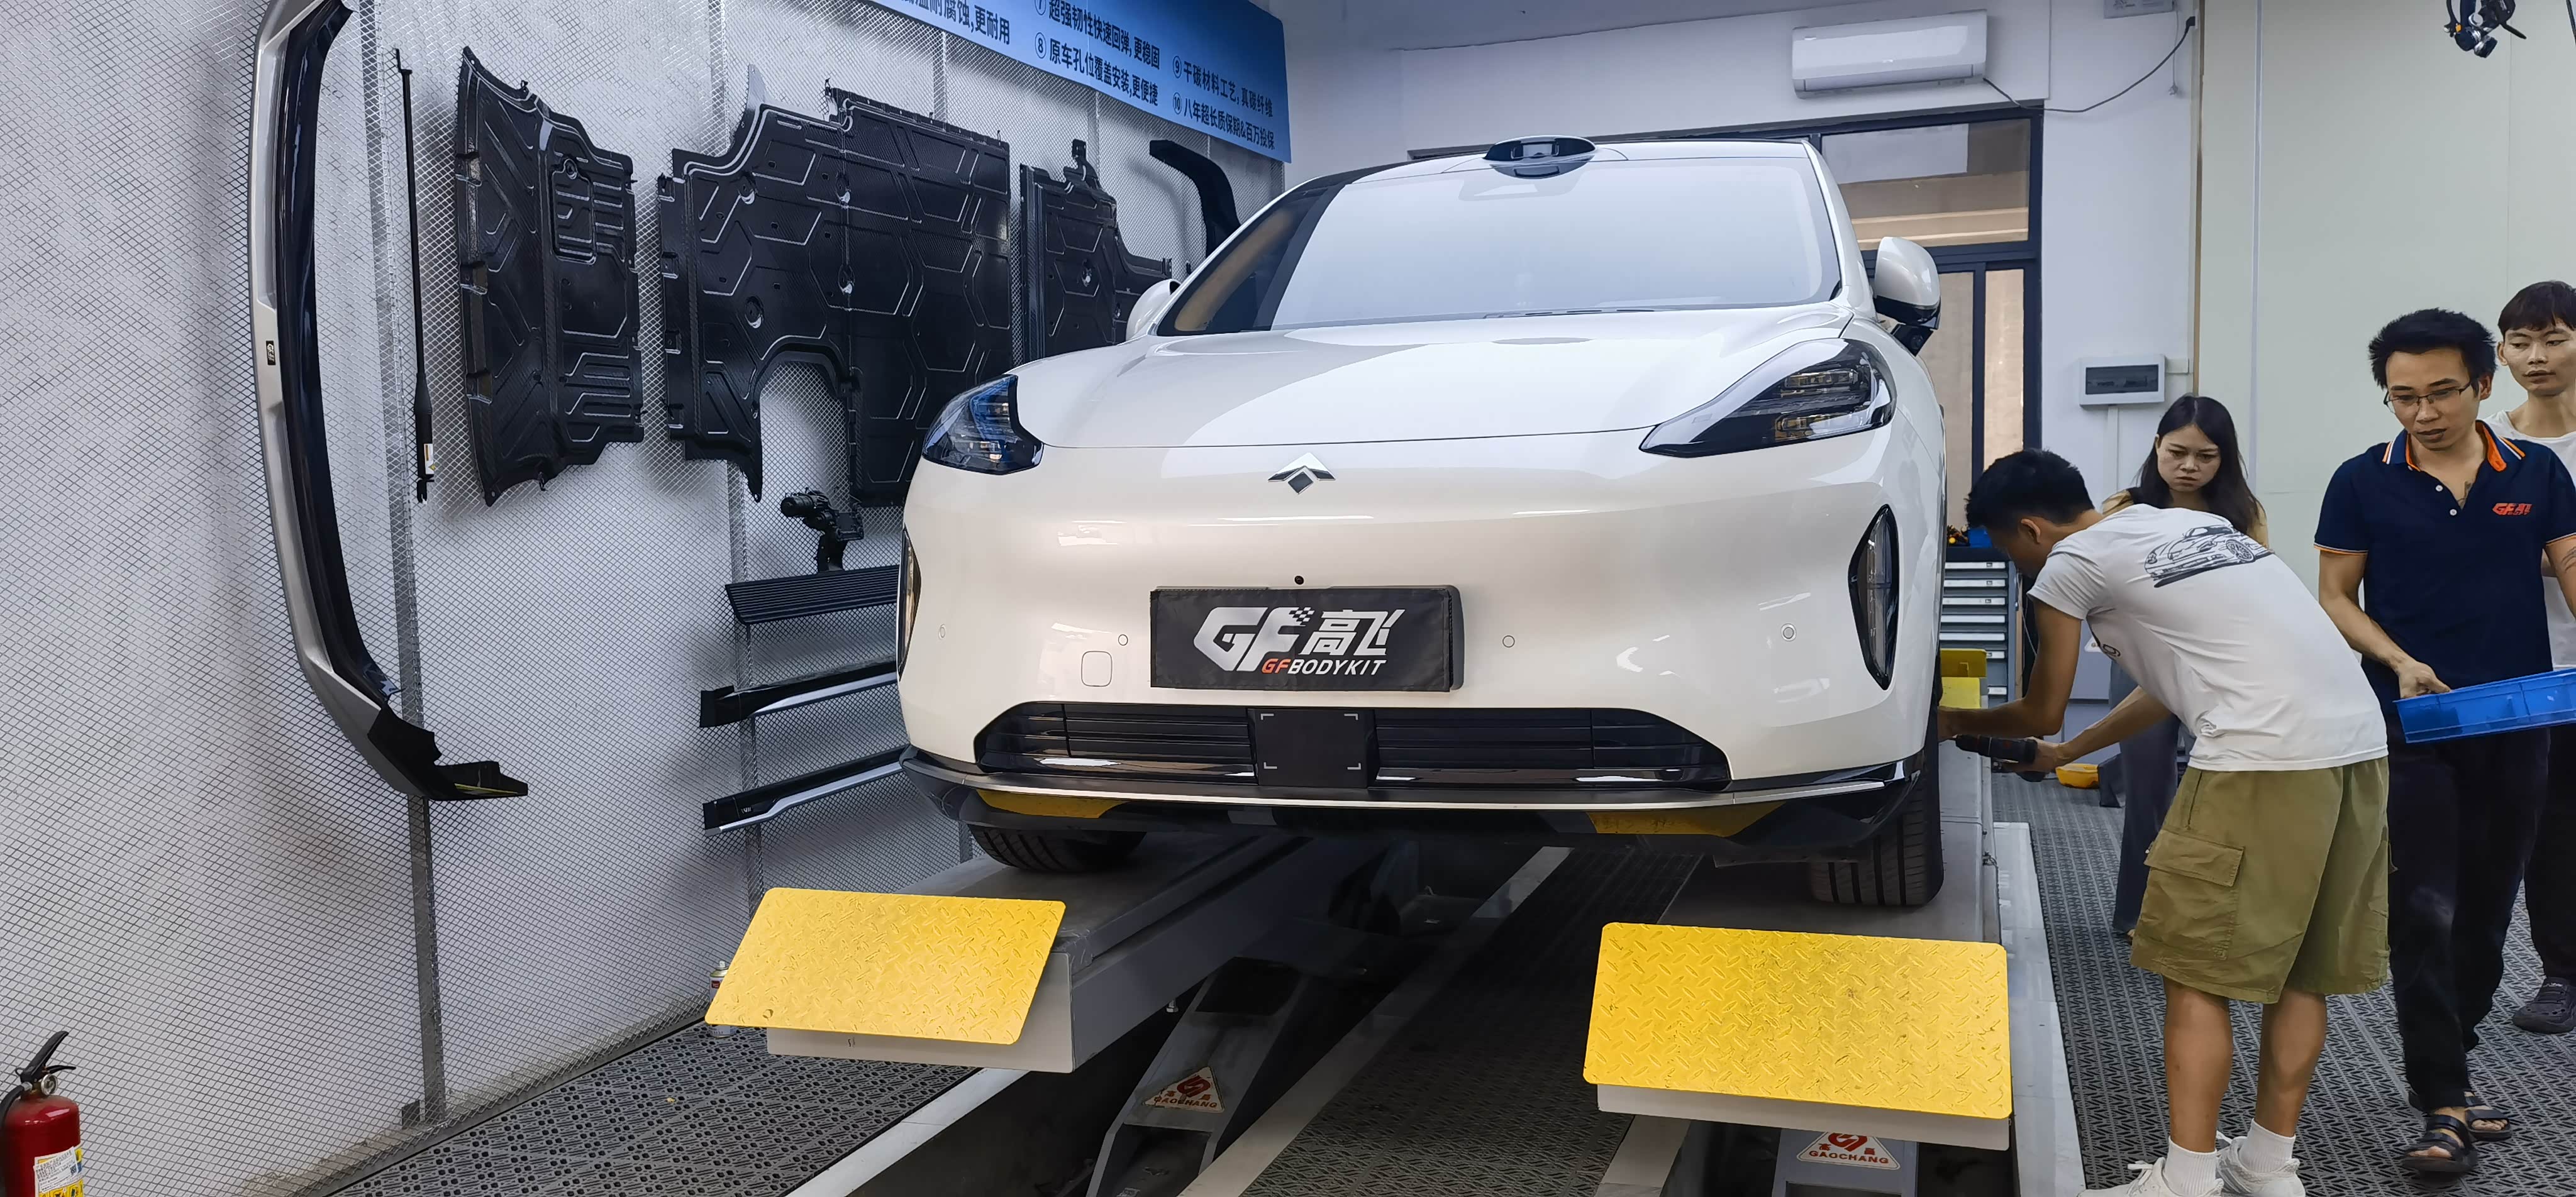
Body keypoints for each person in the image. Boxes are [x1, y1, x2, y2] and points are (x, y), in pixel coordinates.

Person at [1945, 449, 2388, 1197]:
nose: (2015, 563)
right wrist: (2069, 753)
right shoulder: (2186, 527)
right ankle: (2267, 1165)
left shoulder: (2068, 565)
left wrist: (1946, 719)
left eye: (2006, 547)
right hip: (2356, 752)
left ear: (2029, 529)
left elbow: (2040, 707)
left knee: (2193, 972)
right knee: (2303, 972)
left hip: (2256, 760)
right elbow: (2171, 681)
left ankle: (2186, 1180)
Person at [2314, 307, 2576, 1175]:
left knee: (2492, 912)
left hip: (2517, 721)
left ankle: (2450, 1061)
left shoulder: (2535, 472)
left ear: (2481, 385)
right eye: (2403, 397)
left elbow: (2570, 564)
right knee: (2425, 906)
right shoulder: (2362, 480)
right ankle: (2444, 1102)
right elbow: (2337, 596)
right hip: (2414, 725)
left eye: (2441, 393)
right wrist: (2397, 660)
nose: (2423, 413)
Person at [2099, 396, 2270, 934]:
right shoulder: (2125, 508)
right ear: (2157, 447)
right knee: (2147, 792)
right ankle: (2139, 913)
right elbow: (2105, 587)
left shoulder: (2243, 515)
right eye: (2177, 452)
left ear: (2225, 458)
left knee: (2217, 791)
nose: (2190, 466)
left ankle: (2208, 914)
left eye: (2206, 456)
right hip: (2142, 662)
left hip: (2216, 665)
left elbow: (2259, 595)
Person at [2485, 281, 2576, 1036]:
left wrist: (2531, 546)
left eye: (2553, 338)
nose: (2536, 356)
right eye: (2520, 342)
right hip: (2527, 670)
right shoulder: (2488, 442)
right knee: (2548, 826)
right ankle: (2561, 971)